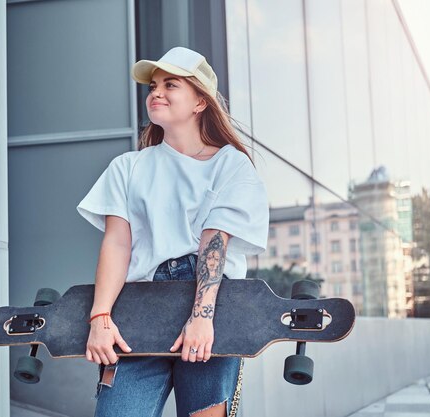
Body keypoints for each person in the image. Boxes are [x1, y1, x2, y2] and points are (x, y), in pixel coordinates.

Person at [77, 46, 269, 417]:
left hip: (211, 306)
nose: (156, 92)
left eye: (171, 84)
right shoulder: (127, 167)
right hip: (139, 306)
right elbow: (117, 244)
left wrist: (202, 317)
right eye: (153, 85)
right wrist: (100, 318)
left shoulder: (231, 165)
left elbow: (214, 242)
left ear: (200, 101)